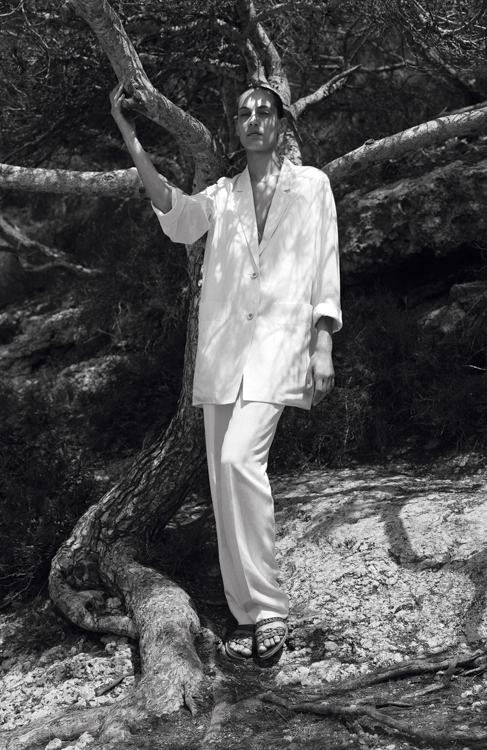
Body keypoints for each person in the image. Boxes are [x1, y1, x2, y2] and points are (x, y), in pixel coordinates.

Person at [110, 81, 342, 662]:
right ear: (237, 127)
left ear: (282, 124)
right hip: (224, 355)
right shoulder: (223, 194)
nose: (255, 119)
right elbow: (178, 218)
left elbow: (326, 265)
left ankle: (270, 609)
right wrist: (131, 138)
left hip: (279, 348)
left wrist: (323, 344)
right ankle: (246, 614)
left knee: (240, 461)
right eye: (245, 113)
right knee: (222, 484)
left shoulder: (312, 186)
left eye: (265, 111)